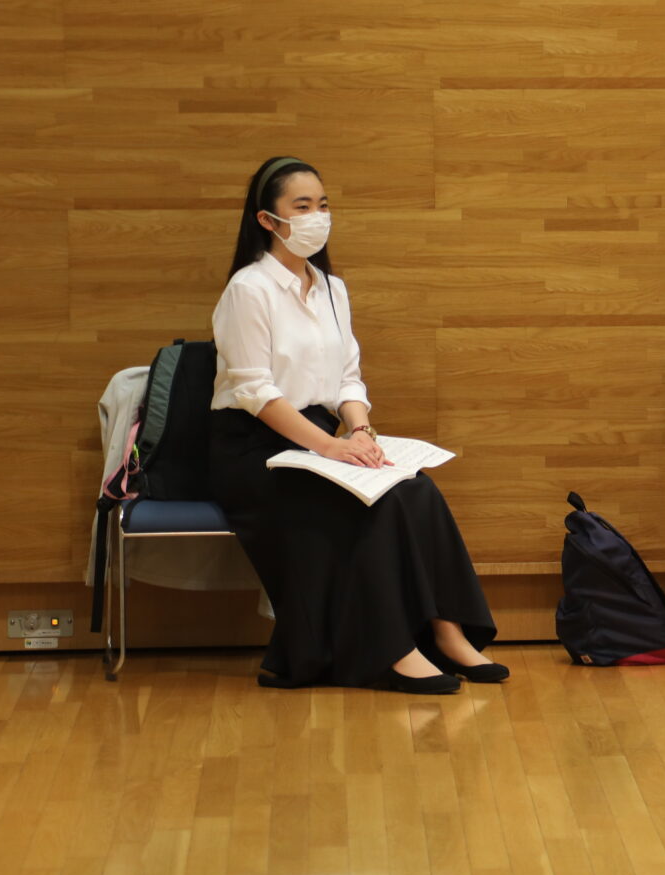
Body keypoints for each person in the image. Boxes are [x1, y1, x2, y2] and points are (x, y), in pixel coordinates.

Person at [208, 156, 506, 694]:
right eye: (302, 206)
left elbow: (348, 378)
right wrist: (330, 447)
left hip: (318, 435)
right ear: (268, 220)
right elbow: (255, 392)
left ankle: (447, 633)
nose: (317, 217)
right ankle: (391, 650)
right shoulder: (248, 290)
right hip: (253, 447)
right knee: (359, 504)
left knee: (416, 491)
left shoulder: (331, 288)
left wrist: (361, 432)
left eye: (323, 205)